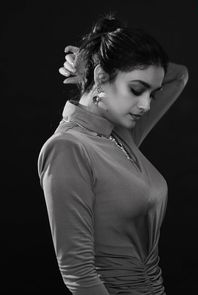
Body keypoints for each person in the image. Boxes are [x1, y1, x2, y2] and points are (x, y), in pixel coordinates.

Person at [38, 13, 189, 295]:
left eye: (150, 94)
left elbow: (179, 75)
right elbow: (78, 273)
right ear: (101, 78)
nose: (144, 105)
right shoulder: (68, 148)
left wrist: (91, 58)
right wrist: (96, 66)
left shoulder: (120, 131)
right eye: (136, 89)